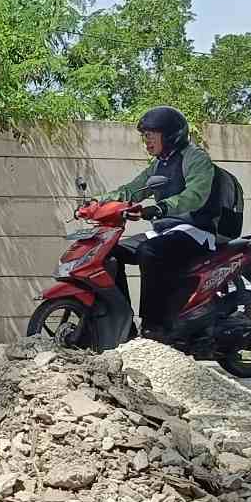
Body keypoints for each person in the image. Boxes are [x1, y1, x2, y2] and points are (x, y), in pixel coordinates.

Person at [99, 106, 232, 337]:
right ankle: (124, 326)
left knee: (149, 252)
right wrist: (97, 202)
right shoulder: (158, 164)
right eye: (144, 135)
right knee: (109, 252)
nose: (146, 140)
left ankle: (154, 326)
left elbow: (195, 195)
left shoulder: (195, 158)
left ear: (171, 135)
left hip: (195, 231)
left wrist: (161, 208)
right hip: (166, 232)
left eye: (151, 134)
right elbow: (132, 190)